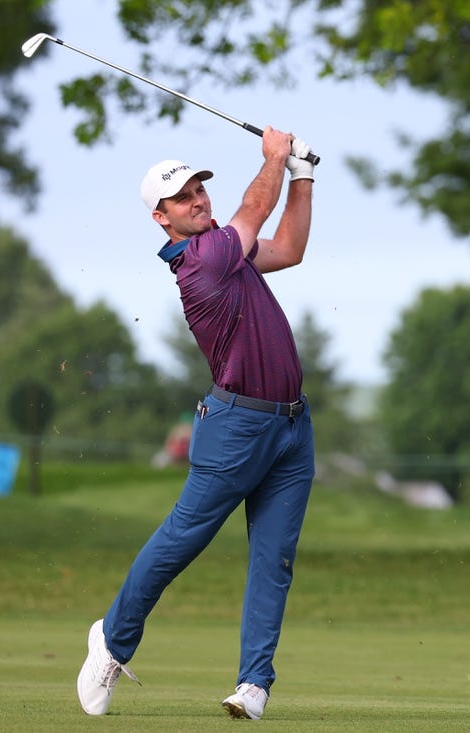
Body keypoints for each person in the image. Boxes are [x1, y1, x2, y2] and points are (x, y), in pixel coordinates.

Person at [76, 127, 316, 721]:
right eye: (183, 198)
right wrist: (275, 160)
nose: (198, 200)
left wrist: (303, 179)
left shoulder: (229, 251)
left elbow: (287, 248)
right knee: (182, 543)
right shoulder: (202, 260)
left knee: (274, 559)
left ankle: (254, 684)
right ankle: (112, 638)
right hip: (235, 429)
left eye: (198, 189)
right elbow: (255, 208)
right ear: (162, 218)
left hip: (291, 429)